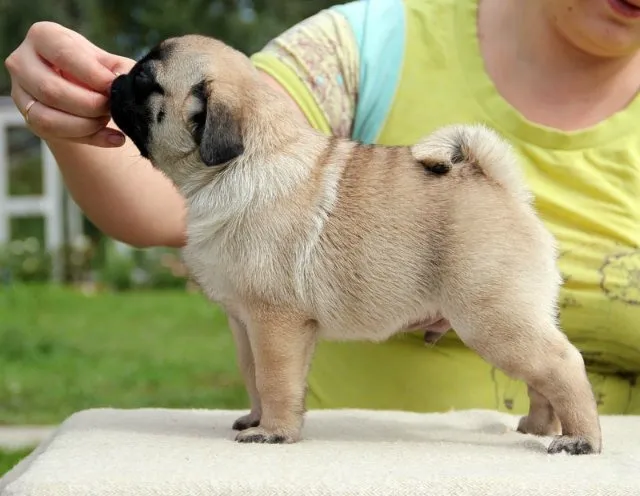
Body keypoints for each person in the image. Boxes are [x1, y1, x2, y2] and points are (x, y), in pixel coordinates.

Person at [5, 0, 640, 415]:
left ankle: (573, 419)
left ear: (209, 121)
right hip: (362, 465)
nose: (135, 92)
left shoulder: (251, 178)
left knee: (507, 330)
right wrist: (71, 112)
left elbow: (278, 314)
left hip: (462, 255)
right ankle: (548, 415)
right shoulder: (368, 42)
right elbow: (152, 210)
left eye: (149, 91)